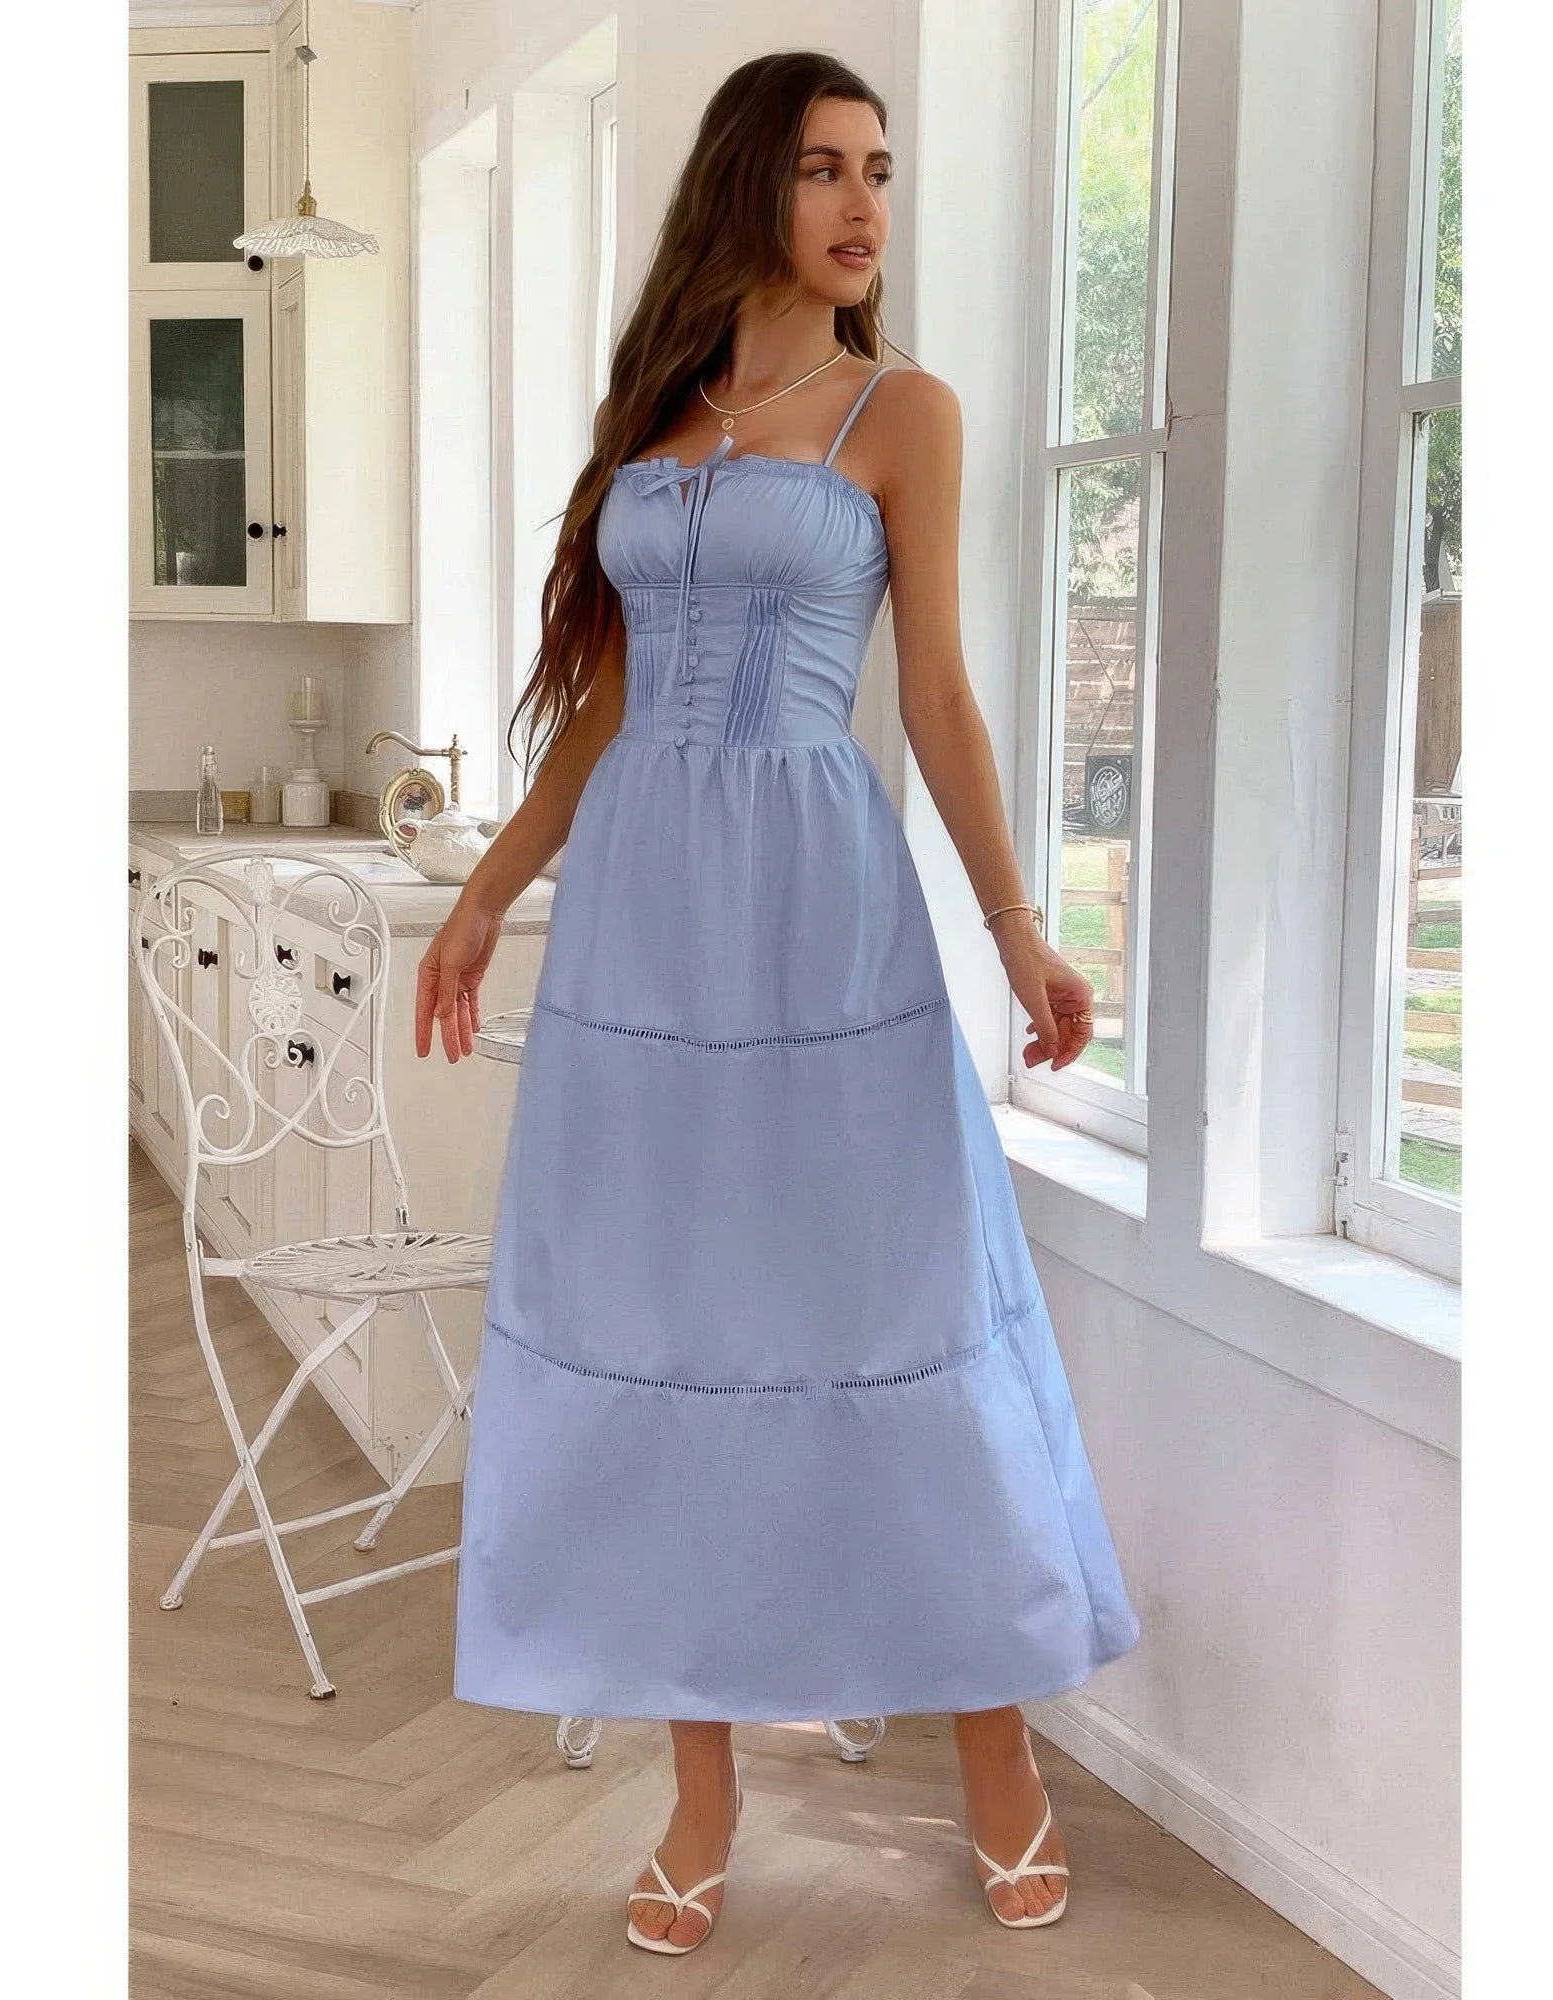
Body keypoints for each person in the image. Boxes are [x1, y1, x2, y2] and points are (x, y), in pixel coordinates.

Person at [414, 49, 1141, 1955]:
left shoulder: (902, 411)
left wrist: (1017, 926)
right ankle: (703, 1795)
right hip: (645, 933)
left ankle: (999, 1760)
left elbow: (946, 700)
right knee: (666, 1340)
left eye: (879, 174)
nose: (860, 206)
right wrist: (486, 898)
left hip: (820, 912)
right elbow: (605, 706)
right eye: (824, 169)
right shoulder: (657, 411)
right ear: (748, 186)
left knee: (889, 1315)